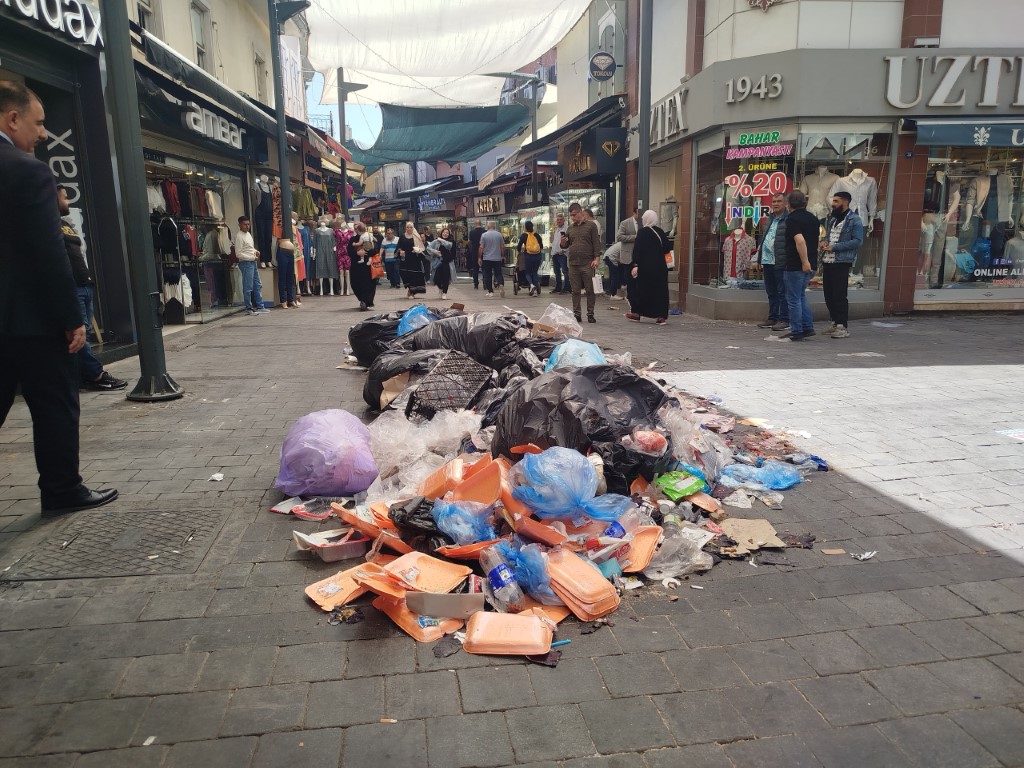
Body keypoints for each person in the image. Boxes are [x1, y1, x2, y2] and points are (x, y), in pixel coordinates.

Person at [0, 80, 117, 515]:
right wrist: (73, 318)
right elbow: (49, 253)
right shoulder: (27, 170)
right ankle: (62, 489)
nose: (45, 134)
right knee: (54, 407)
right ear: (12, 119)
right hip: (33, 321)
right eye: (39, 123)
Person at [57, 186, 129, 391]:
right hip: (71, 288)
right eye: (64, 198)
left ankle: (82, 376)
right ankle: (95, 374)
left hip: (84, 286)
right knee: (80, 336)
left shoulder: (63, 224)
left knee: (83, 333)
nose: (68, 201)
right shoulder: (44, 224)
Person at [820, 191, 864, 339]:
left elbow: (857, 241)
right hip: (828, 261)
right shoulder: (832, 219)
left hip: (842, 261)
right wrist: (824, 242)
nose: (833, 204)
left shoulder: (855, 219)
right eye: (833, 201)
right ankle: (834, 323)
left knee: (839, 295)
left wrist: (835, 247)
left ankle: (842, 326)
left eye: (836, 201)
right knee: (828, 295)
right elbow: (827, 236)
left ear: (846, 202)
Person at [780, 190, 819, 341]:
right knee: (801, 296)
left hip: (797, 265)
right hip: (811, 263)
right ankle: (807, 326)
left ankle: (797, 330)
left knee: (793, 298)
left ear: (788, 204)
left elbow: (800, 240)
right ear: (805, 202)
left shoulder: (792, 220)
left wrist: (804, 261)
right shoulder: (813, 219)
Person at [624, 210, 671, 324]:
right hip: (660, 267)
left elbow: (637, 250)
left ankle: (637, 313)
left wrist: (635, 264)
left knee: (641, 289)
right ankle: (660, 316)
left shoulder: (642, 232)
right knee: (660, 291)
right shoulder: (660, 232)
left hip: (645, 267)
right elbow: (667, 248)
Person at [756, 193, 790, 332]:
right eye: (774, 201)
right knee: (771, 292)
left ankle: (784, 319)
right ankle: (773, 317)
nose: (775, 204)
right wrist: (759, 259)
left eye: (779, 201)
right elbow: (763, 239)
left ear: (785, 203)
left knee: (782, 292)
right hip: (767, 261)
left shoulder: (788, 220)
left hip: (780, 261)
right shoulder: (770, 219)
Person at [564, 202, 601, 323]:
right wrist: (562, 242)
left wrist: (597, 258)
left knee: (590, 289)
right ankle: (577, 314)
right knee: (575, 291)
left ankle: (590, 313)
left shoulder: (591, 226)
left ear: (580, 213)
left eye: (574, 215)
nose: (573, 217)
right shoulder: (570, 228)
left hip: (587, 263)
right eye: (571, 216)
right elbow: (566, 245)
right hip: (573, 263)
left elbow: (596, 243)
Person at [233, 216, 269, 315]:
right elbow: (238, 254)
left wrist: (255, 251)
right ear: (239, 225)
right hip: (246, 263)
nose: (247, 226)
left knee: (257, 284)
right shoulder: (239, 237)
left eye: (248, 224)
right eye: (245, 224)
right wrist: (252, 258)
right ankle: (248, 308)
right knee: (248, 287)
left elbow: (249, 248)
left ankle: (260, 306)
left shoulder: (248, 234)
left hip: (252, 262)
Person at [348, 222, 378, 311]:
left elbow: (375, 249)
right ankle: (362, 299)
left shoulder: (369, 236)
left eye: (358, 228)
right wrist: (357, 253)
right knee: (355, 284)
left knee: (369, 284)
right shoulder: (353, 239)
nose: (357, 230)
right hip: (356, 266)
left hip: (368, 266)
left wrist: (367, 252)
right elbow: (349, 251)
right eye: (355, 228)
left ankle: (366, 301)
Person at [612, 208, 640, 300]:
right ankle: (630, 295)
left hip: (639, 255)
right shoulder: (625, 223)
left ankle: (636, 295)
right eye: (638, 214)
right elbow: (619, 237)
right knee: (628, 277)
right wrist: (634, 237)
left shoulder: (643, 223)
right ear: (634, 213)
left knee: (638, 277)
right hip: (628, 255)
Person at [398, 221, 427, 297]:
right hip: (405, 259)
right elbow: (399, 247)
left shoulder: (416, 236)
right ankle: (410, 289)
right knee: (405, 275)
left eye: (411, 227)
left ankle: (412, 291)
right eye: (407, 227)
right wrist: (400, 251)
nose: (409, 229)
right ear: (405, 228)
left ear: (413, 228)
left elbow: (422, 248)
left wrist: (417, 250)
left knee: (414, 275)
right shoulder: (402, 236)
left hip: (414, 259)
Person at [517, 221, 544, 296]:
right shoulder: (537, 235)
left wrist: (520, 251)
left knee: (527, 272)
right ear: (533, 227)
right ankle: (535, 292)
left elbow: (519, 246)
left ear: (525, 228)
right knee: (535, 272)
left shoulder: (524, 236)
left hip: (528, 256)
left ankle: (531, 286)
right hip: (537, 256)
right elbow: (541, 246)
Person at [479, 220, 505, 298]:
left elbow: (481, 247)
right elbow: (502, 247)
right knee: (498, 273)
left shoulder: (484, 235)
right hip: (497, 258)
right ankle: (500, 284)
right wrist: (503, 256)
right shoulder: (499, 235)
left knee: (487, 274)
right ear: (494, 226)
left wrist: (479, 257)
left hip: (487, 258)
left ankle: (490, 291)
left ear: (488, 226)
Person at [429, 227, 455, 299]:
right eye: (444, 232)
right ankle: (440, 288)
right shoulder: (436, 241)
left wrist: (441, 240)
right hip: (438, 262)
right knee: (436, 278)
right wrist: (435, 252)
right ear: (441, 233)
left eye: (447, 233)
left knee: (446, 278)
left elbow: (449, 245)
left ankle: (444, 293)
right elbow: (428, 247)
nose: (445, 234)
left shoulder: (451, 241)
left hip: (447, 262)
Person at [550, 212, 569, 294]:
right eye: (558, 220)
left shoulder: (567, 229)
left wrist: (564, 251)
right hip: (555, 253)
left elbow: (568, 241)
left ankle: (567, 288)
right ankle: (558, 287)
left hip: (562, 253)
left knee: (565, 271)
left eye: (561, 220)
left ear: (564, 220)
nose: (559, 221)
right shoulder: (556, 229)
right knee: (556, 271)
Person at [467, 220, 485, 289]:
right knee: (484, 268)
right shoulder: (484, 232)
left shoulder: (472, 232)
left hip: (474, 252)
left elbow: (470, 242)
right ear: (481, 224)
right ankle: (485, 283)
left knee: (475, 268)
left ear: (475, 224)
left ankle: (476, 284)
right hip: (483, 251)